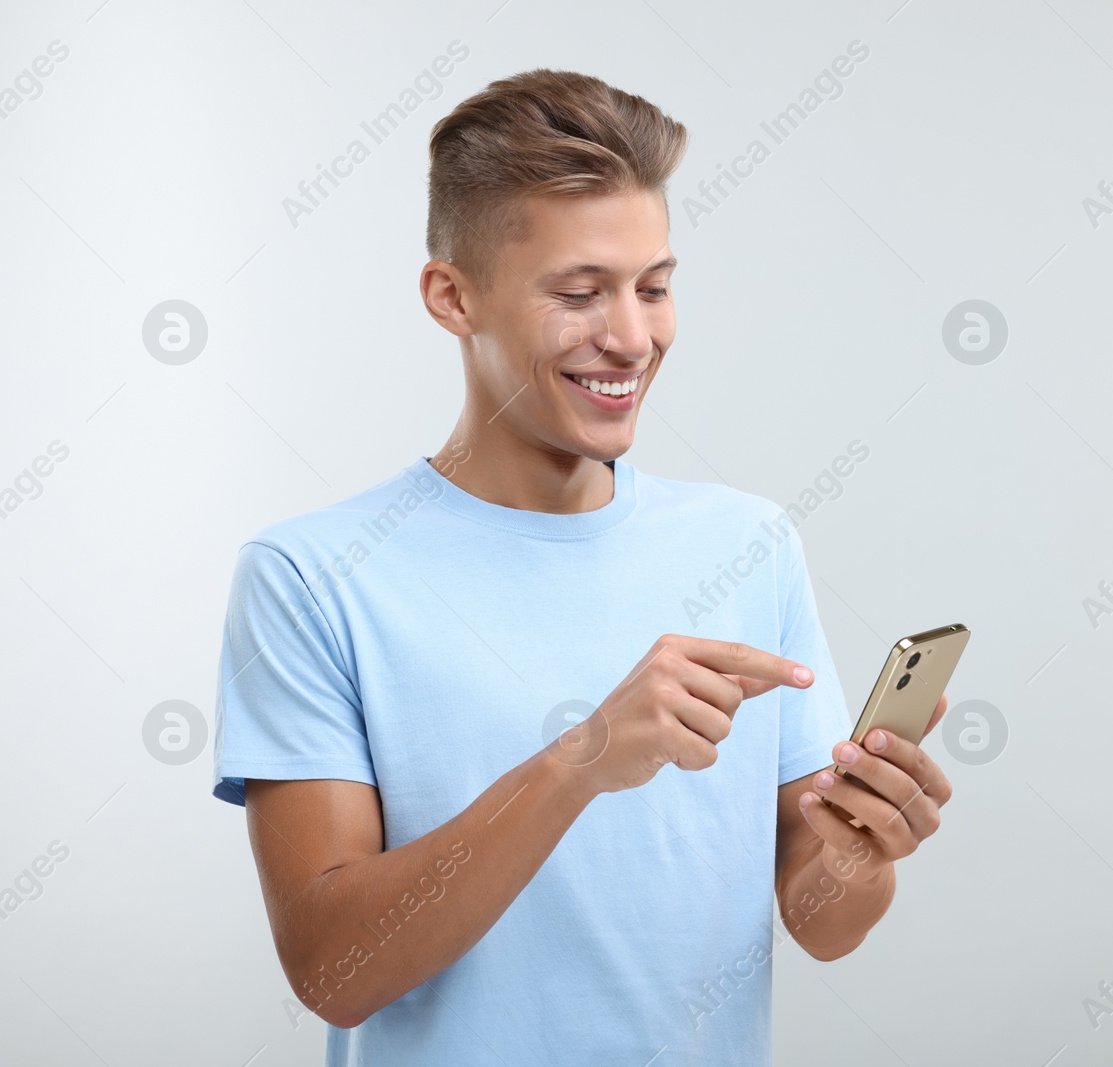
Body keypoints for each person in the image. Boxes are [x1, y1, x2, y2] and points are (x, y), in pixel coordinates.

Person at [211, 67, 952, 1065]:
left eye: (653, 286)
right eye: (579, 293)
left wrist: (860, 859)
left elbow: (819, 919)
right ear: (451, 297)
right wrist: (580, 760)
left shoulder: (749, 545)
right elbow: (335, 969)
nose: (633, 337)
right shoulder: (310, 577)